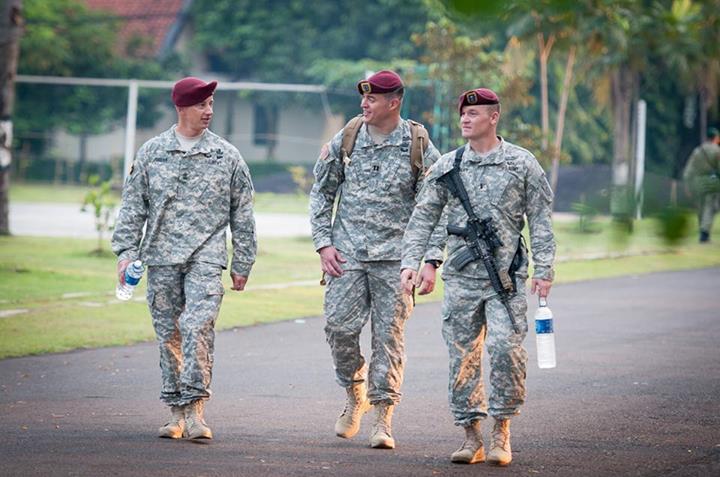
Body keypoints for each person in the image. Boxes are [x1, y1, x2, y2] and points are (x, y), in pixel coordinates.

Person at [400, 88, 556, 466]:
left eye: (474, 113)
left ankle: (502, 430)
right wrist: (411, 261)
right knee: (462, 358)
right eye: (463, 113)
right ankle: (471, 436)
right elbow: (423, 217)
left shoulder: (521, 163)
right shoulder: (449, 166)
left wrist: (544, 269)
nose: (466, 119)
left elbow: (539, 218)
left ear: (494, 117)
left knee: (505, 349)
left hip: (507, 279)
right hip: (461, 279)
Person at [112, 77, 257, 440]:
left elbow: (243, 213)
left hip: (206, 258)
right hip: (160, 259)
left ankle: (196, 411)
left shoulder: (227, 156)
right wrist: (126, 254)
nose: (209, 111)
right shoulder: (151, 152)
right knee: (169, 335)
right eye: (201, 105)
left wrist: (242, 262)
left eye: (211, 104)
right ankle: (175, 411)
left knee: (196, 327)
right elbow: (133, 208)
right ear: (181, 108)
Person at [309, 70, 446, 449]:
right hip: (347, 255)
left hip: (396, 261)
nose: (364, 104)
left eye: (372, 99)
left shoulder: (418, 144)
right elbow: (321, 194)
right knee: (338, 328)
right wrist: (323, 244)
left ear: (394, 102)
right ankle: (356, 394)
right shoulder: (347, 138)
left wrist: (429, 259)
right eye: (363, 98)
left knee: (389, 339)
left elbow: (435, 206)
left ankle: (383, 418)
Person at [683, 127, 720, 243]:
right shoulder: (717, 151)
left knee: (701, 207)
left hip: (697, 182)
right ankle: (704, 234)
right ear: (716, 138)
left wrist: (687, 185)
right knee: (710, 207)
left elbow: (688, 171)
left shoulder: (697, 150)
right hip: (711, 181)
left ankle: (702, 231)